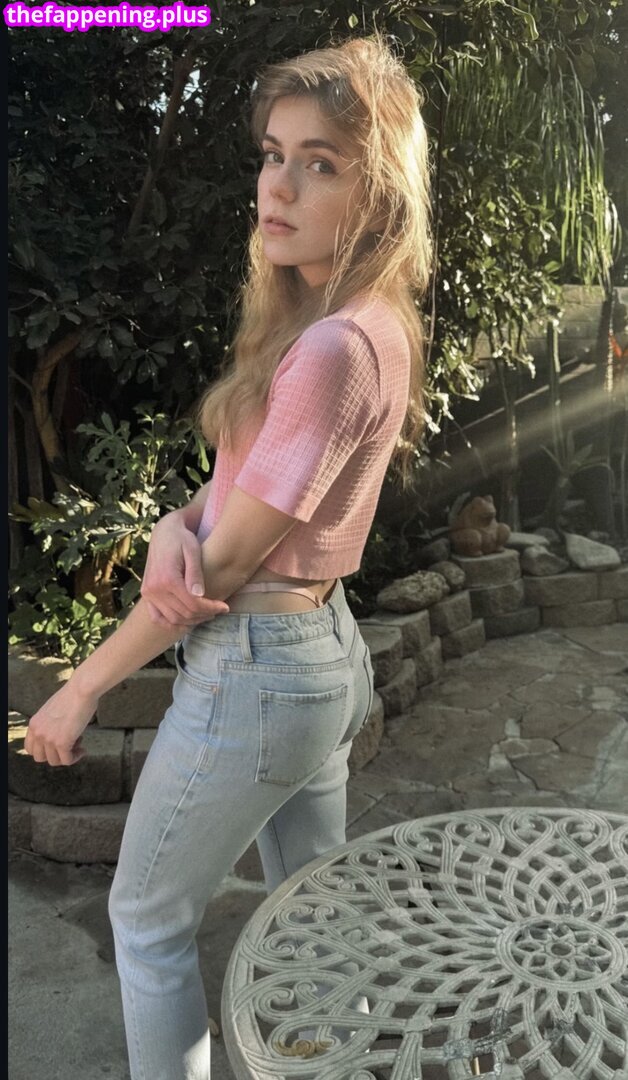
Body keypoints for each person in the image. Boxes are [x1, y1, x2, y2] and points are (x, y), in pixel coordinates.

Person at [24, 31, 432, 1080]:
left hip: (260, 671)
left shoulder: (336, 347)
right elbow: (237, 495)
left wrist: (79, 691)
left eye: (320, 163)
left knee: (146, 916)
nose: (278, 186)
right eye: (273, 154)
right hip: (317, 653)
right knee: (315, 912)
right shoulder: (356, 322)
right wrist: (173, 522)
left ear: (379, 196)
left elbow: (222, 568)